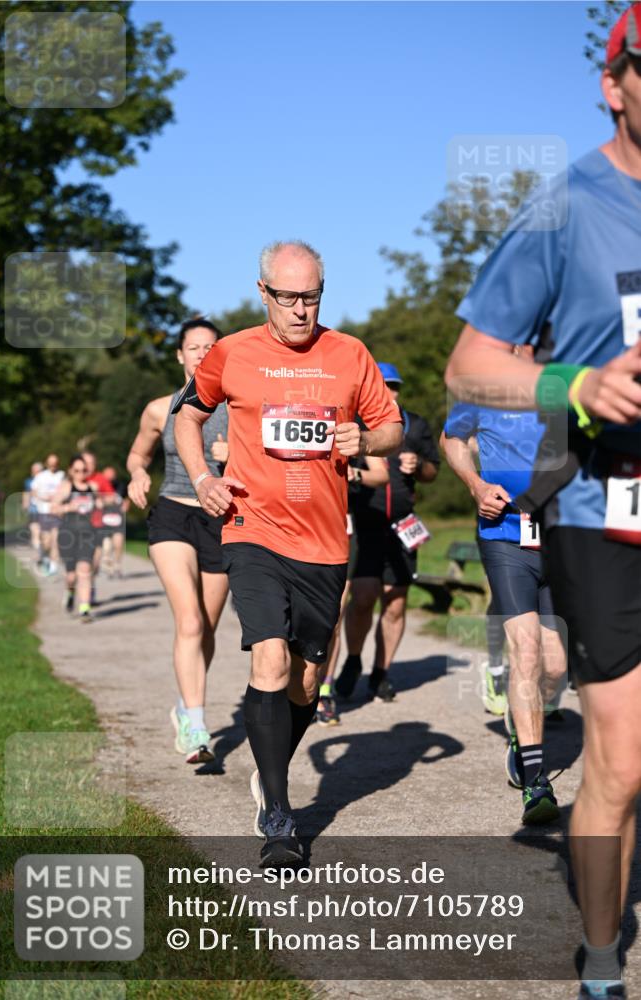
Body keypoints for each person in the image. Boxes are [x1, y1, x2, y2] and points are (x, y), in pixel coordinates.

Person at [445, 8, 641, 996]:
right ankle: (602, 958)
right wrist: (576, 385)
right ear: (614, 85)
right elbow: (471, 362)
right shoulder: (565, 207)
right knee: (623, 750)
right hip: (606, 510)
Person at [173, 240, 403, 867]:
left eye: (312, 297)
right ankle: (279, 815)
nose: (301, 310)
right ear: (264, 293)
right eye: (289, 297)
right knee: (269, 659)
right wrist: (201, 480)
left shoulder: (350, 353)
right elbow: (187, 418)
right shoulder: (233, 352)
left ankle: (268, 765)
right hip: (251, 526)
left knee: (304, 682)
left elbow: (392, 426)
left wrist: (367, 437)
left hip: (324, 542)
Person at [441, 348, 567, 825]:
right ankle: (536, 781)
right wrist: (475, 485)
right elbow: (452, 439)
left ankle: (522, 723)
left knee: (554, 668)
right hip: (505, 539)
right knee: (527, 653)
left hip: (560, 541)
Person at [127, 317, 230, 765]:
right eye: (194, 347)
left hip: (222, 520)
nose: (202, 354)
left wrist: (235, 456)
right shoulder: (158, 408)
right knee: (189, 621)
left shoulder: (237, 407)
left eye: (211, 347)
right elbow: (138, 452)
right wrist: (135, 474)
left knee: (206, 627)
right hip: (171, 513)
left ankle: (186, 705)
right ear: (180, 355)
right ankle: (196, 725)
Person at [336, 362, 439, 703]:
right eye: (384, 385)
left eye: (394, 386)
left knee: (395, 602)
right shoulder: (355, 423)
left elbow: (432, 472)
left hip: (403, 525)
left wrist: (418, 467)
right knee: (363, 597)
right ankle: (353, 660)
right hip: (365, 521)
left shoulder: (416, 424)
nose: (390, 392)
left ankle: (381, 672)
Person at [316, 453, 389, 726]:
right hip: (295, 519)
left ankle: (324, 690)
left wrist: (354, 474)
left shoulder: (355, 421)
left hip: (341, 524)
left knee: (333, 615)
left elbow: (382, 473)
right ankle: (291, 684)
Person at [51, 455, 99, 623]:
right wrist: (69, 507)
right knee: (71, 576)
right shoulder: (66, 487)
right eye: (77, 470)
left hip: (87, 534)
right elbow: (53, 508)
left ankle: (85, 609)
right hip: (68, 534)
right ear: (71, 471)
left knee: (85, 571)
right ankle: (70, 592)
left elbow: (100, 507)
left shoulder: (93, 487)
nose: (81, 473)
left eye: (84, 470)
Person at [81, 450, 116, 603]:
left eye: (91, 463)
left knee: (94, 564)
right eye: (86, 462)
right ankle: (74, 590)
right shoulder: (73, 479)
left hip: (96, 526)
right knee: (80, 565)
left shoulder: (100, 479)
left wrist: (101, 498)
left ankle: (90, 589)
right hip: (76, 527)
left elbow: (112, 498)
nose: (88, 466)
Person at [31, 454, 65, 576]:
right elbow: (33, 492)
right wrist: (43, 497)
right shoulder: (40, 476)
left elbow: (66, 491)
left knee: (56, 540)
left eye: (55, 463)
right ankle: (43, 555)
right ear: (47, 464)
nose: (53, 466)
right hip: (43, 511)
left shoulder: (62, 475)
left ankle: (53, 567)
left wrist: (59, 500)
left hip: (56, 512)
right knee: (47, 542)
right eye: (51, 463)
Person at [101, 466, 129, 579]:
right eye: (107, 475)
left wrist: (126, 505)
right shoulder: (100, 486)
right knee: (107, 547)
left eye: (111, 475)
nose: (109, 477)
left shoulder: (121, 486)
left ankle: (117, 566)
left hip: (118, 519)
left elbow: (127, 498)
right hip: (104, 521)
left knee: (118, 544)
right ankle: (109, 568)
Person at [22, 462, 43, 565]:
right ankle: (38, 554)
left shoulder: (46, 481)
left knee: (43, 534)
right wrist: (25, 505)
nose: (36, 473)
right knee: (35, 533)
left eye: (38, 471)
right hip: (34, 510)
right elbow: (26, 495)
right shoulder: (29, 482)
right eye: (34, 471)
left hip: (46, 511)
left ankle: (43, 552)